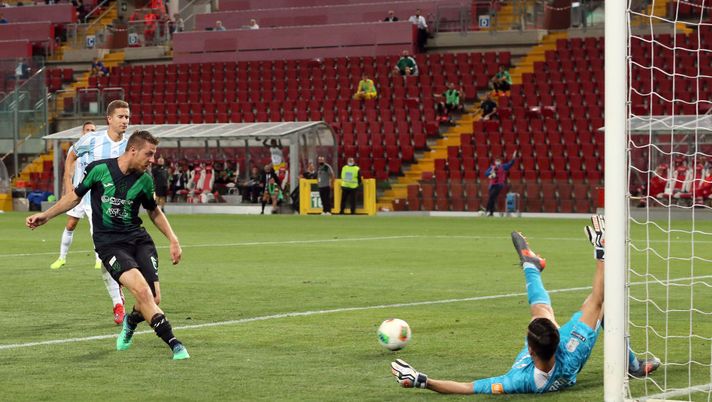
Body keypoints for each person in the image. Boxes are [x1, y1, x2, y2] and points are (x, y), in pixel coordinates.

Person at [391, 218, 660, 394]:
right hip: (567, 353)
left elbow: (467, 387)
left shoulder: (519, 381)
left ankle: (532, 266)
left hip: (555, 355)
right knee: (601, 309)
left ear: (530, 351)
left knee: (544, 312)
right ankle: (632, 365)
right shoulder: (574, 348)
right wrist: (601, 252)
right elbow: (598, 299)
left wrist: (423, 381)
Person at [26, 130, 190, 360]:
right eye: (149, 154)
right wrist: (46, 215)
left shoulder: (144, 179)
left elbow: (153, 211)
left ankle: (130, 322)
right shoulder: (99, 169)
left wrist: (174, 239)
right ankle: (175, 344)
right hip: (110, 244)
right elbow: (74, 197)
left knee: (153, 298)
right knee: (142, 292)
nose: (152, 159)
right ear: (133, 150)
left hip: (138, 240)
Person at [51, 102, 131, 325]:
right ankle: (118, 302)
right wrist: (68, 181)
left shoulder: (130, 146)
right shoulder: (92, 140)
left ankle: (129, 296)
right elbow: (71, 154)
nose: (125, 121)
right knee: (107, 257)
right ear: (109, 119)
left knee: (124, 258)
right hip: (90, 203)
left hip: (119, 210)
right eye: (121, 116)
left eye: (127, 117)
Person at [50, 121, 97, 269]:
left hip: (94, 194)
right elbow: (69, 171)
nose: (90, 132)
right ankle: (62, 258)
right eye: (88, 129)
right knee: (70, 224)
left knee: (95, 228)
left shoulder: (99, 149)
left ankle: (99, 259)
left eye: (93, 130)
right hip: (78, 194)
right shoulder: (75, 149)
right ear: (83, 132)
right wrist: (68, 189)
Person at [484, 152, 517, 217]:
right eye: (497, 161)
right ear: (495, 162)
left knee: (491, 196)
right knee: (492, 198)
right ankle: (491, 212)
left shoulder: (503, 166)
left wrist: (513, 158)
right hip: (492, 185)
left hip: (499, 184)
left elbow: (510, 164)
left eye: (499, 161)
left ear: (500, 162)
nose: (497, 162)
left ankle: (487, 210)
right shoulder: (492, 167)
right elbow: (486, 173)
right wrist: (490, 174)